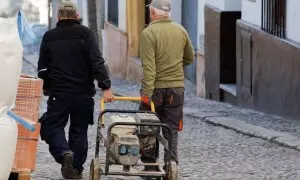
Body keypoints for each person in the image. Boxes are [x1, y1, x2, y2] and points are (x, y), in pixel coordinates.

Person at [37, 1, 113, 179]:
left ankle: (64, 154)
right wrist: (106, 86)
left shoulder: (49, 37)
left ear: (59, 17)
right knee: (79, 130)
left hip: (59, 94)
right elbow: (97, 62)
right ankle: (76, 169)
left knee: (52, 127)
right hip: (83, 94)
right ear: (77, 16)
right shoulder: (87, 34)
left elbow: (42, 69)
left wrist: (46, 86)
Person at [139, 0, 195, 170]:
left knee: (147, 125)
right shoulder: (181, 30)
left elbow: (149, 68)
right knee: (171, 128)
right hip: (176, 89)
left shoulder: (148, 33)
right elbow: (190, 58)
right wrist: (174, 65)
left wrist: (146, 94)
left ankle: (150, 166)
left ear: (154, 13)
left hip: (155, 89)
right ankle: (171, 164)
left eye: (151, 11)